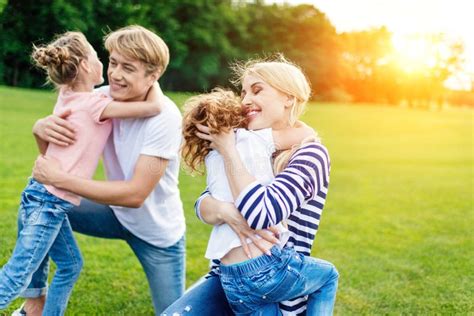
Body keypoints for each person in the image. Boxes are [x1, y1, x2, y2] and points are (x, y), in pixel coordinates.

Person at [16, 25, 186, 316]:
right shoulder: (99, 99)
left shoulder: (165, 118)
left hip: (157, 234)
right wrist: (39, 131)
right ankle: (34, 303)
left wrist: (59, 179)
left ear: (152, 75)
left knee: (174, 313)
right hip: (112, 213)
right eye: (113, 63)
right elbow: (53, 161)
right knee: (35, 200)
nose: (116, 74)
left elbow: (135, 195)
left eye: (128, 68)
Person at [162, 57, 339, 316]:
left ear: (288, 98)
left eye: (257, 90)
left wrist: (229, 151)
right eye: (243, 92)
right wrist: (227, 212)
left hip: (278, 291)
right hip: (226, 278)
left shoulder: (310, 155)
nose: (244, 101)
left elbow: (260, 214)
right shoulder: (249, 143)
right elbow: (202, 205)